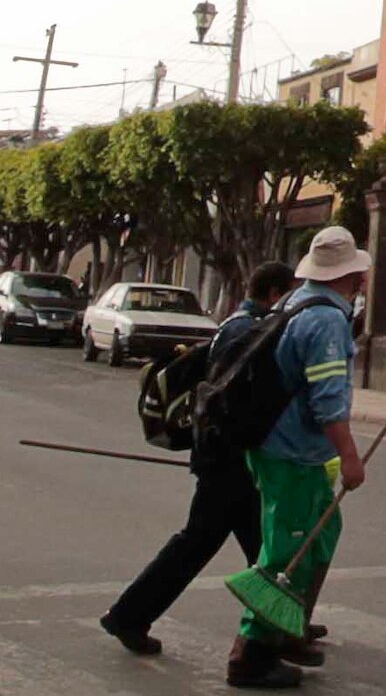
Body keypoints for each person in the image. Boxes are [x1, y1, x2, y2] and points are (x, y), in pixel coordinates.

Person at [100, 254, 294, 659]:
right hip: (229, 458)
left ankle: (288, 621)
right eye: (287, 295)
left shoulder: (234, 325)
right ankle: (128, 616)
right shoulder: (249, 332)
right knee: (202, 543)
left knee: (261, 543)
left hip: (224, 454)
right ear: (275, 294)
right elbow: (237, 399)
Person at [226, 224, 372, 688]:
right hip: (289, 452)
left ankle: (288, 626)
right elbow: (327, 399)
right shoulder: (326, 319)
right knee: (287, 550)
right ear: (352, 275)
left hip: (286, 448)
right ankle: (251, 651)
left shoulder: (295, 302)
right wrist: (351, 457)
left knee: (322, 533)